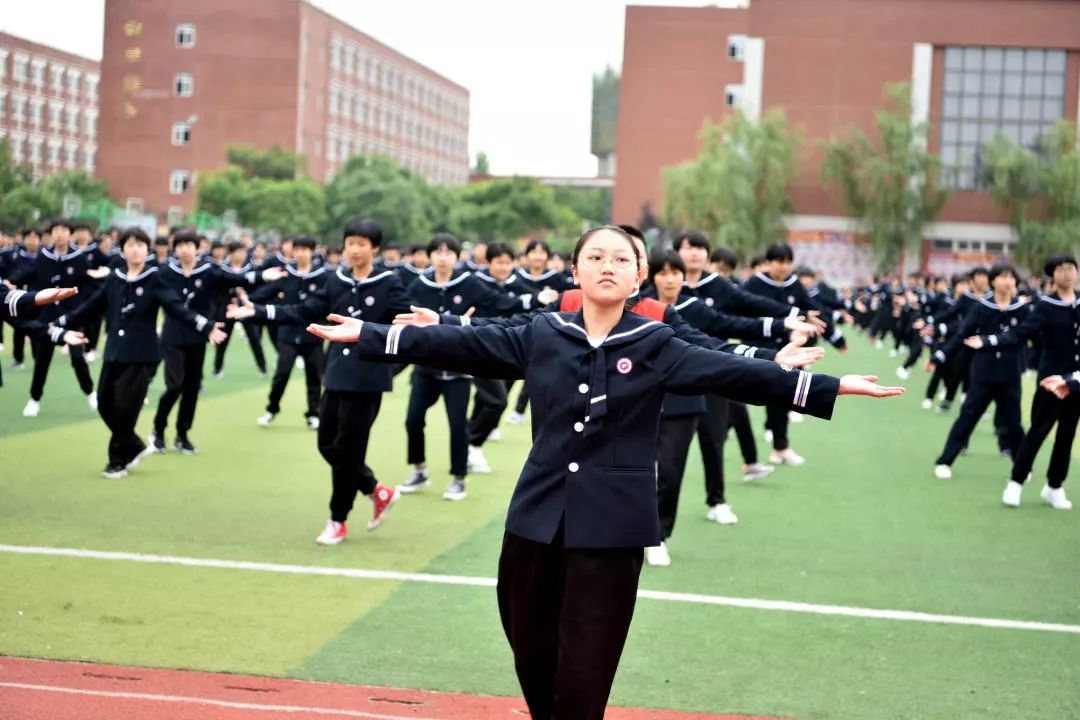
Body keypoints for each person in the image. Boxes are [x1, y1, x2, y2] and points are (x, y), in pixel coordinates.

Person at [309, 225, 902, 720]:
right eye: (595, 256)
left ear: (636, 276)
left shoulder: (657, 341)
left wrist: (830, 386)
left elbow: (731, 375)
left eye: (621, 258)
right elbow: (466, 345)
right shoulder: (543, 333)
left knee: (588, 662)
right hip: (537, 516)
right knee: (529, 642)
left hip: (612, 526)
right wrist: (371, 333)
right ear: (576, 271)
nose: (608, 265)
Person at [229, 218, 411, 543]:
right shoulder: (335, 281)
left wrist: (395, 362)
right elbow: (304, 310)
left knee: (347, 451)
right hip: (337, 375)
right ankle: (376, 491)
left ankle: (337, 519)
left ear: (375, 248)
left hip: (368, 380)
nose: (354, 250)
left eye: (362, 244)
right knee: (327, 444)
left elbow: (406, 325)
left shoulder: (390, 283)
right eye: (350, 243)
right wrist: (258, 312)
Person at [56, 228, 226, 478]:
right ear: (122, 249)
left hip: (141, 355)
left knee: (125, 408)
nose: (135, 249)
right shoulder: (114, 278)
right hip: (114, 352)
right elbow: (92, 307)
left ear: (147, 251)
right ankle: (134, 446)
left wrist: (205, 324)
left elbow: (177, 307)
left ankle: (116, 462)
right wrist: (61, 323)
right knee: (104, 403)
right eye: (130, 245)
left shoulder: (155, 279)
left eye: (140, 245)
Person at [150, 232, 284, 453]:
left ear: (198, 248)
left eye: (189, 245)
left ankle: (182, 435)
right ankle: (158, 430)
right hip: (172, 336)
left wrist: (262, 277)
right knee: (175, 385)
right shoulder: (165, 273)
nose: (185, 249)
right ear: (175, 249)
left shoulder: (208, 271)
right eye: (180, 245)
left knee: (192, 387)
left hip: (197, 337)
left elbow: (234, 278)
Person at [973, 254, 1076, 509]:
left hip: (1076, 381)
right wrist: (990, 341)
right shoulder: (1046, 306)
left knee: (1067, 435)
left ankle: (1054, 486)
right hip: (1051, 380)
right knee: (1039, 431)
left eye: (1071, 268)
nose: (1067, 273)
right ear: (1052, 275)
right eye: (1060, 269)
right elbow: (1020, 334)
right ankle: (1016, 482)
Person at [931, 264, 1031, 479]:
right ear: (993, 281)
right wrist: (943, 354)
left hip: (1010, 373)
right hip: (984, 373)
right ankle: (944, 461)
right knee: (967, 417)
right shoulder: (982, 307)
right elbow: (962, 333)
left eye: (1011, 277)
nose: (1008, 281)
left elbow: (1026, 337)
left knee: (1013, 421)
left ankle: (1021, 465)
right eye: (1003, 277)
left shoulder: (1021, 309)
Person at [4, 219, 98, 417]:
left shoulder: (79, 258)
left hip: (72, 317)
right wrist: (10, 282)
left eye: (64, 230)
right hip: (47, 315)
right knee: (42, 360)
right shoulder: (43, 256)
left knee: (77, 357)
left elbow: (88, 283)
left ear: (70, 234)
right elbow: (29, 274)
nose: (59, 234)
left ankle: (90, 393)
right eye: (56, 230)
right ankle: (34, 399)